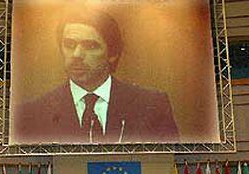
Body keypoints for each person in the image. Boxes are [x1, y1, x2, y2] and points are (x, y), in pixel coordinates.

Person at [14, 8, 179, 144]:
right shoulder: (32, 113)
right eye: (69, 45)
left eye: (90, 46)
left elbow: (169, 163)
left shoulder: (152, 105)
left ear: (112, 53)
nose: (77, 54)